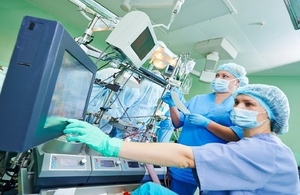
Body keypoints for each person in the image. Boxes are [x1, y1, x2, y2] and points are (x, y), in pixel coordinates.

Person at [63, 84, 300, 194]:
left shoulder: (268, 151)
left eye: (249, 104)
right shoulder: (251, 144)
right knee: (150, 190)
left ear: (270, 114)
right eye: (237, 102)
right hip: (193, 170)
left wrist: (109, 144)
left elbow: (185, 156)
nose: (239, 108)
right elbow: (178, 125)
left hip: (189, 164)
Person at [161, 63, 248, 195]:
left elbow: (236, 135)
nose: (219, 79)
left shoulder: (238, 105)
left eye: (225, 76)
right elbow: (178, 123)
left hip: (213, 165)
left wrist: (207, 123)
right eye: (217, 75)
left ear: (237, 82)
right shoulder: (198, 99)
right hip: (185, 159)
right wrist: (172, 106)